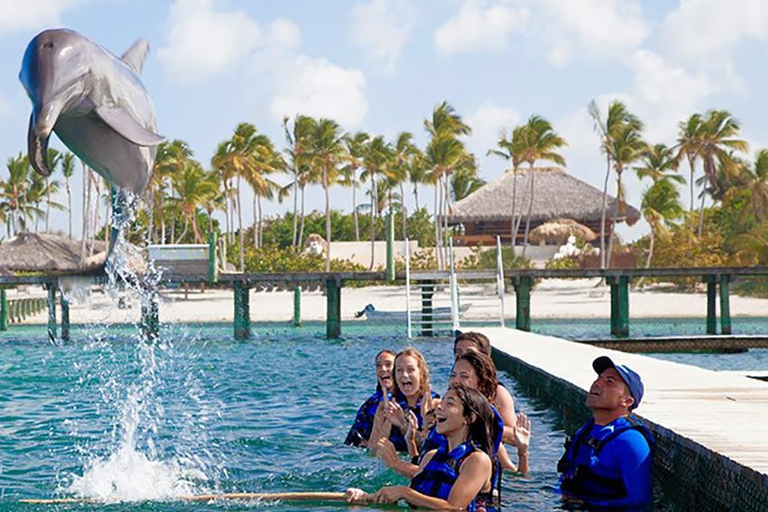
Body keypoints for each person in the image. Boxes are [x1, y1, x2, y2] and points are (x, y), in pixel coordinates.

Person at [347, 385, 495, 510]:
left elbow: (453, 508)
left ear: (469, 418)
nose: (439, 407)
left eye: (449, 403)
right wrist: (365, 497)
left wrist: (404, 492)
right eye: (441, 402)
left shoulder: (477, 461)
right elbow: (413, 501)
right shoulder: (431, 457)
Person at [558, 356, 654, 508]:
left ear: (626, 401)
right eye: (598, 378)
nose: (597, 383)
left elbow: (639, 501)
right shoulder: (586, 430)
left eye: (609, 382)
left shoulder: (630, 441)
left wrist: (588, 504)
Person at [368, 347, 439, 452]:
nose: (404, 375)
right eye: (399, 370)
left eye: (410, 370)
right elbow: (372, 451)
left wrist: (402, 424)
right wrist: (388, 421)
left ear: (421, 373)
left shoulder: (435, 405)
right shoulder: (385, 405)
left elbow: (431, 450)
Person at [454, 332, 518, 446]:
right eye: (458, 353)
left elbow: (515, 436)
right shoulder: (454, 388)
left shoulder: (497, 392)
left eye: (470, 353)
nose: (463, 357)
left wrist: (480, 424)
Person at [344, 349, 396, 448]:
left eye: (388, 364)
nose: (383, 369)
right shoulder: (371, 403)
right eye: (378, 366)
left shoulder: (407, 401)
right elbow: (351, 440)